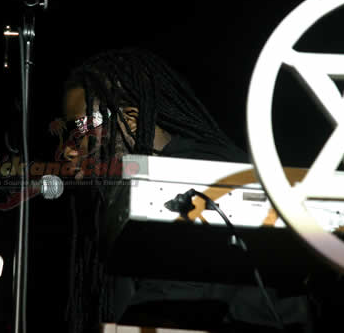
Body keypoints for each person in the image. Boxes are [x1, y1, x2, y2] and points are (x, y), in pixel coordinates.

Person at [54, 48, 312, 333]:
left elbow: (171, 307)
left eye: (79, 129)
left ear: (131, 120)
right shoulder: (134, 201)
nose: (68, 149)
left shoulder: (209, 177)